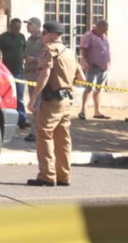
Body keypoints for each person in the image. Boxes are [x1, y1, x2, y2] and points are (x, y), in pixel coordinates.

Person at [27, 21, 84, 187]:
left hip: (51, 101)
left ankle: (47, 175)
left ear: (52, 34)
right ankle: (63, 175)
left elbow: (44, 75)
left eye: (44, 33)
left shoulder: (49, 50)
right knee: (63, 138)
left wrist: (32, 99)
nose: (42, 36)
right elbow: (82, 78)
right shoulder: (69, 52)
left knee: (44, 135)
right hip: (66, 101)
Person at [0, 17, 29, 129]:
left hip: (19, 72)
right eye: (15, 27)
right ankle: (5, 119)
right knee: (6, 96)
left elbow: (25, 51)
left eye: (19, 28)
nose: (17, 30)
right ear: (10, 27)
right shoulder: (3, 37)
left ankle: (22, 120)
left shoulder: (22, 37)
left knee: (19, 97)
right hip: (6, 72)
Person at [78, 19, 111, 120]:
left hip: (104, 67)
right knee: (88, 88)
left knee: (98, 89)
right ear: (98, 27)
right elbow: (83, 50)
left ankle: (97, 111)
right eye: (104, 29)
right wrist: (89, 63)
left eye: (106, 30)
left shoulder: (103, 36)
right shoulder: (89, 35)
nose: (105, 31)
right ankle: (83, 110)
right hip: (93, 67)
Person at [22, 17, 45, 142]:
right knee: (34, 103)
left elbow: (46, 57)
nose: (28, 26)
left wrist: (34, 60)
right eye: (28, 24)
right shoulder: (29, 39)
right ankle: (36, 131)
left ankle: (35, 133)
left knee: (36, 104)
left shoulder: (43, 40)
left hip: (39, 75)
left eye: (30, 24)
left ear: (37, 25)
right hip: (30, 74)